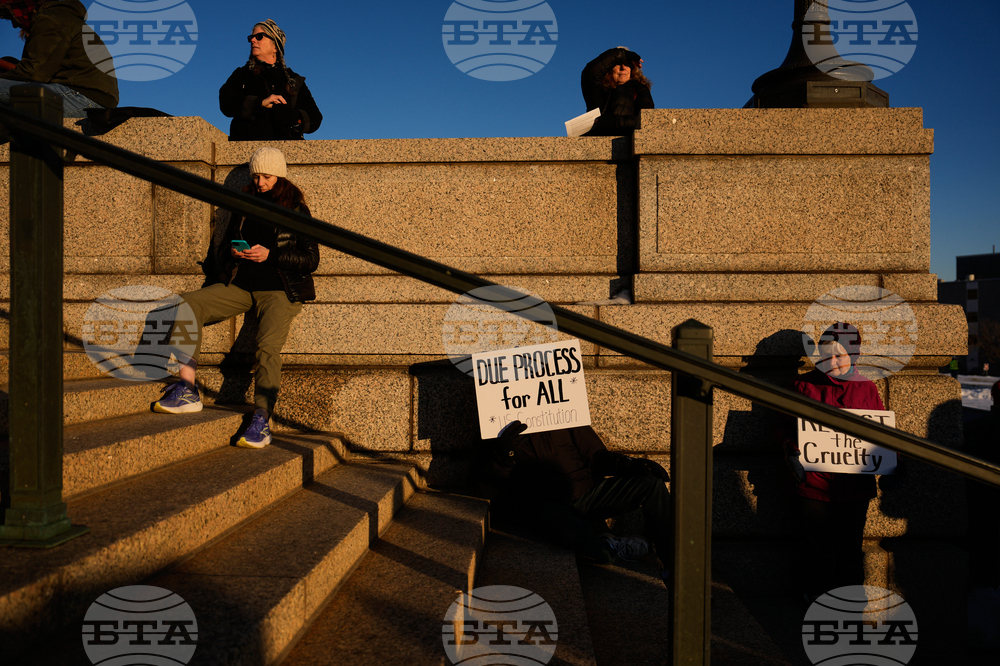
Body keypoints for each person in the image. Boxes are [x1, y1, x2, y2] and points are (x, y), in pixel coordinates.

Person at [153, 147, 319, 449]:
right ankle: (188, 388)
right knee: (186, 305)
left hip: (280, 289)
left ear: (279, 176)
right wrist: (232, 252)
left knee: (267, 348)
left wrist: (271, 254)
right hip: (239, 285)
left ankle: (261, 419)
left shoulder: (295, 208)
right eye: (256, 176)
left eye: (266, 176)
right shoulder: (244, 203)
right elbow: (223, 248)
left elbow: (310, 259)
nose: (259, 182)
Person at [780, 322, 885, 600]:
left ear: (854, 355)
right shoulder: (802, 385)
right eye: (827, 354)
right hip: (813, 484)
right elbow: (784, 426)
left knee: (850, 549)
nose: (833, 361)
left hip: (854, 485)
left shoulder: (867, 389)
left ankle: (850, 605)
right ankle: (818, 603)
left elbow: (884, 434)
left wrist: (892, 465)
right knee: (817, 549)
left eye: (840, 355)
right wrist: (791, 450)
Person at [485, 420, 672, 575]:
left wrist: (629, 464)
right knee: (603, 555)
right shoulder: (496, 423)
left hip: (585, 493)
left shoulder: (559, 411)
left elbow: (595, 456)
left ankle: (672, 564)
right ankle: (608, 544)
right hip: (546, 507)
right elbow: (489, 490)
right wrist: (504, 457)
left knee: (651, 484)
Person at [0, 0, 118, 117]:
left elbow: (34, 74)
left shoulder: (50, 19)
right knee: (8, 62)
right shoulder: (59, 17)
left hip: (84, 98)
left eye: (11, 16)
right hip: (91, 96)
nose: (14, 24)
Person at [219, 19, 322, 141]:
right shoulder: (242, 74)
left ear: (275, 46)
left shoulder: (293, 80)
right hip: (248, 152)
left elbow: (315, 118)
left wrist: (294, 118)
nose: (252, 40)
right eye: (251, 37)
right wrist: (260, 103)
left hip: (286, 154)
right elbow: (226, 102)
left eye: (259, 36)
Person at [580, 46, 653, 136]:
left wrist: (614, 122)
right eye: (618, 64)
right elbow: (590, 73)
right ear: (610, 69)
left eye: (627, 64)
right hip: (595, 141)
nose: (623, 67)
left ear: (632, 70)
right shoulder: (600, 90)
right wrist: (623, 54)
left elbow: (647, 120)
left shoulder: (640, 89)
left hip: (626, 142)